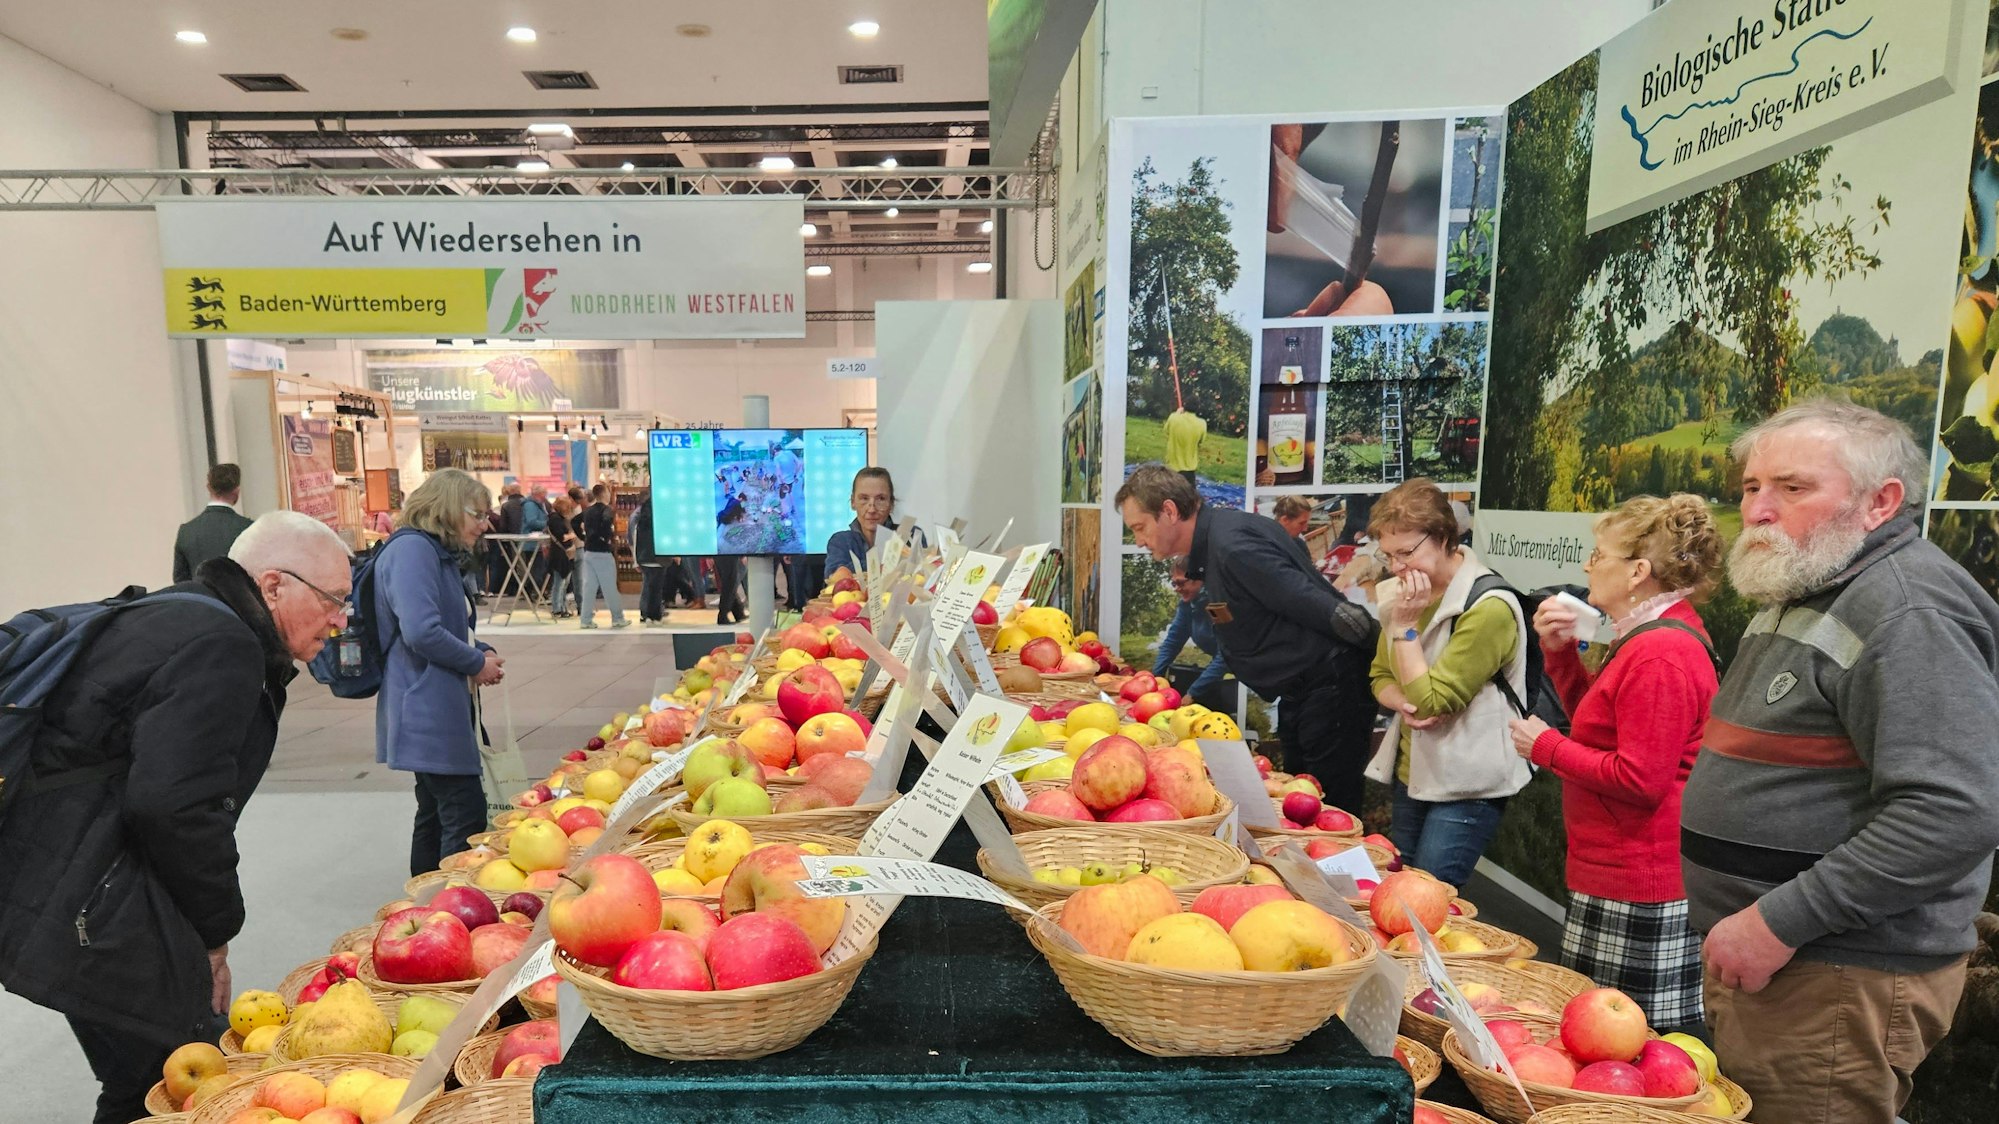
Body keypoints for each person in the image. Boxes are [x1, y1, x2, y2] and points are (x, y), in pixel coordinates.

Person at [1681, 400, 1999, 1123]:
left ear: (1879, 501)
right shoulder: (1808, 580)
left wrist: (1776, 923)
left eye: (1791, 489)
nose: (1758, 510)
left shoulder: (1906, 610)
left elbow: (1951, 813)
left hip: (1835, 972)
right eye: (1750, 487)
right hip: (1793, 964)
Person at [0, 511, 351, 1124]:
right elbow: (175, 806)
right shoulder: (222, 645)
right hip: (93, 900)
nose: (340, 619)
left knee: (143, 1075)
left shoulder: (183, 612)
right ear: (273, 586)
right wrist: (215, 933)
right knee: (182, 1076)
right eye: (333, 600)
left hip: (57, 877)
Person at [1506, 494, 1723, 1031]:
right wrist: (1560, 656)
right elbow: (1609, 733)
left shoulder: (1660, 653)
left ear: (1638, 572)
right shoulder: (1647, 640)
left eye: (1598, 554)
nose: (1587, 566)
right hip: (1621, 871)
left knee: (1626, 1044)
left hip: (1639, 879)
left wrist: (1546, 748)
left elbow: (1640, 778)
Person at [1115, 464, 1378, 814]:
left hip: (1331, 690)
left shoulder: (1233, 547)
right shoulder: (1216, 544)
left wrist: (1386, 659)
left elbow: (1326, 609)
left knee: (1330, 811)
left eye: (1139, 528)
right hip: (1305, 691)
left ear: (1169, 511)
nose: (1139, 540)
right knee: (1304, 801)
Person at [1364, 478, 1531, 889]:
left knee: (1429, 900)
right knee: (1398, 893)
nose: (1398, 568)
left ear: (1442, 537)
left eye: (1406, 553)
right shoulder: (1400, 593)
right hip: (1413, 771)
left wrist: (1405, 629)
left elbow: (1434, 702)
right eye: (1388, 555)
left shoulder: (1488, 606)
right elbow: (1380, 676)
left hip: (1467, 783)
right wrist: (1400, 701)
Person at [373, 468, 506, 878]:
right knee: (464, 814)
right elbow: (421, 631)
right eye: (478, 514)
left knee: (434, 811)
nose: (485, 525)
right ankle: (448, 911)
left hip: (433, 700)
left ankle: (427, 907)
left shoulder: (430, 551)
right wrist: (475, 663)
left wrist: (479, 650)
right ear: (448, 508)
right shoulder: (413, 551)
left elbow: (444, 624)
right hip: (427, 706)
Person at [1152, 554, 1234, 712]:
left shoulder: (1219, 602)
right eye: (1174, 583)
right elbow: (1172, 643)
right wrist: (1154, 679)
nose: (1177, 589)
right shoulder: (1188, 605)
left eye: (1181, 583)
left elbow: (1226, 654)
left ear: (1200, 579)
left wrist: (1192, 693)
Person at [825, 467, 923, 574]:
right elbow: (834, 575)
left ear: (891, 503)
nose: (872, 509)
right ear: (853, 502)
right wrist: (885, 566)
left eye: (881, 499)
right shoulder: (841, 541)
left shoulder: (911, 535)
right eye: (864, 498)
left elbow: (922, 575)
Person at [172, 462, 255, 582]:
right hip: (237, 599)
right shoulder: (249, 529)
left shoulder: (186, 531)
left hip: (200, 599)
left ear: (208, 487)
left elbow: (180, 582)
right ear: (237, 491)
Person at [575, 484, 630, 629]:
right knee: (610, 587)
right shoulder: (607, 510)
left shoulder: (588, 511)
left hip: (588, 552)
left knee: (589, 587)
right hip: (603, 553)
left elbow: (574, 522)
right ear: (605, 493)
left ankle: (585, 620)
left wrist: (584, 536)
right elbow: (606, 521)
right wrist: (606, 537)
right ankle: (617, 618)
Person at [632, 494, 667, 625]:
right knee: (656, 589)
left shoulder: (640, 524)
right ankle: (655, 615)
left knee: (649, 586)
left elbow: (635, 541)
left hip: (644, 558)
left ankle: (646, 614)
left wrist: (636, 560)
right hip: (659, 558)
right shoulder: (660, 524)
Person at [544, 496, 577, 619]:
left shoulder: (556, 518)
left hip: (562, 554)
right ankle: (557, 608)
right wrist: (572, 535)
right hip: (560, 554)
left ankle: (562, 607)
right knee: (559, 583)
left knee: (563, 583)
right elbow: (562, 537)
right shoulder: (555, 520)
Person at [1162, 408, 1207, 492]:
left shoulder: (1173, 418)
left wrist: (1177, 413)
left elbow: (1166, 431)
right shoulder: (1202, 424)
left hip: (1172, 470)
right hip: (1189, 472)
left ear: (1184, 407)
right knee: (1189, 500)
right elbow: (1201, 442)